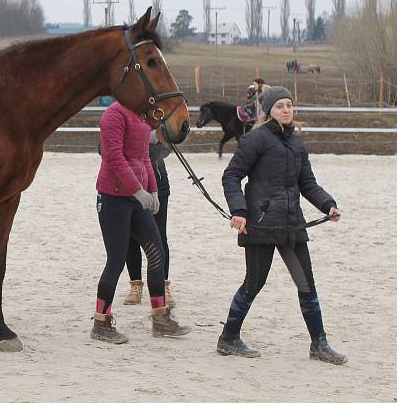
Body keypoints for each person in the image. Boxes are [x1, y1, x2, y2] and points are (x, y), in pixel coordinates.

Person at [218, 86, 347, 365]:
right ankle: (228, 338)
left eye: (289, 105)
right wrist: (239, 211)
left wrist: (328, 205)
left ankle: (319, 344)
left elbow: (307, 184)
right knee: (253, 284)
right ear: (269, 111)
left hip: (292, 226)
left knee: (307, 285)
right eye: (280, 106)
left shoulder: (297, 143)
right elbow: (231, 177)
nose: (286, 110)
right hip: (260, 226)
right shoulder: (254, 140)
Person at [91, 101, 190, 343]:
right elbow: (113, 158)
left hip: (137, 198)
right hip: (114, 197)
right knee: (115, 261)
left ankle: (160, 318)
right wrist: (138, 190)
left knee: (156, 252)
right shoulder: (113, 115)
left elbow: (144, 156)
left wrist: (153, 191)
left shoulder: (142, 116)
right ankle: (101, 322)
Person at [123, 128, 175, 307]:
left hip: (158, 184)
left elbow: (167, 147)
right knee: (131, 237)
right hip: (129, 186)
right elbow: (103, 148)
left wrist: (140, 149)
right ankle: (135, 284)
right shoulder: (123, 116)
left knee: (160, 236)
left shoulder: (158, 117)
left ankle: (164, 284)